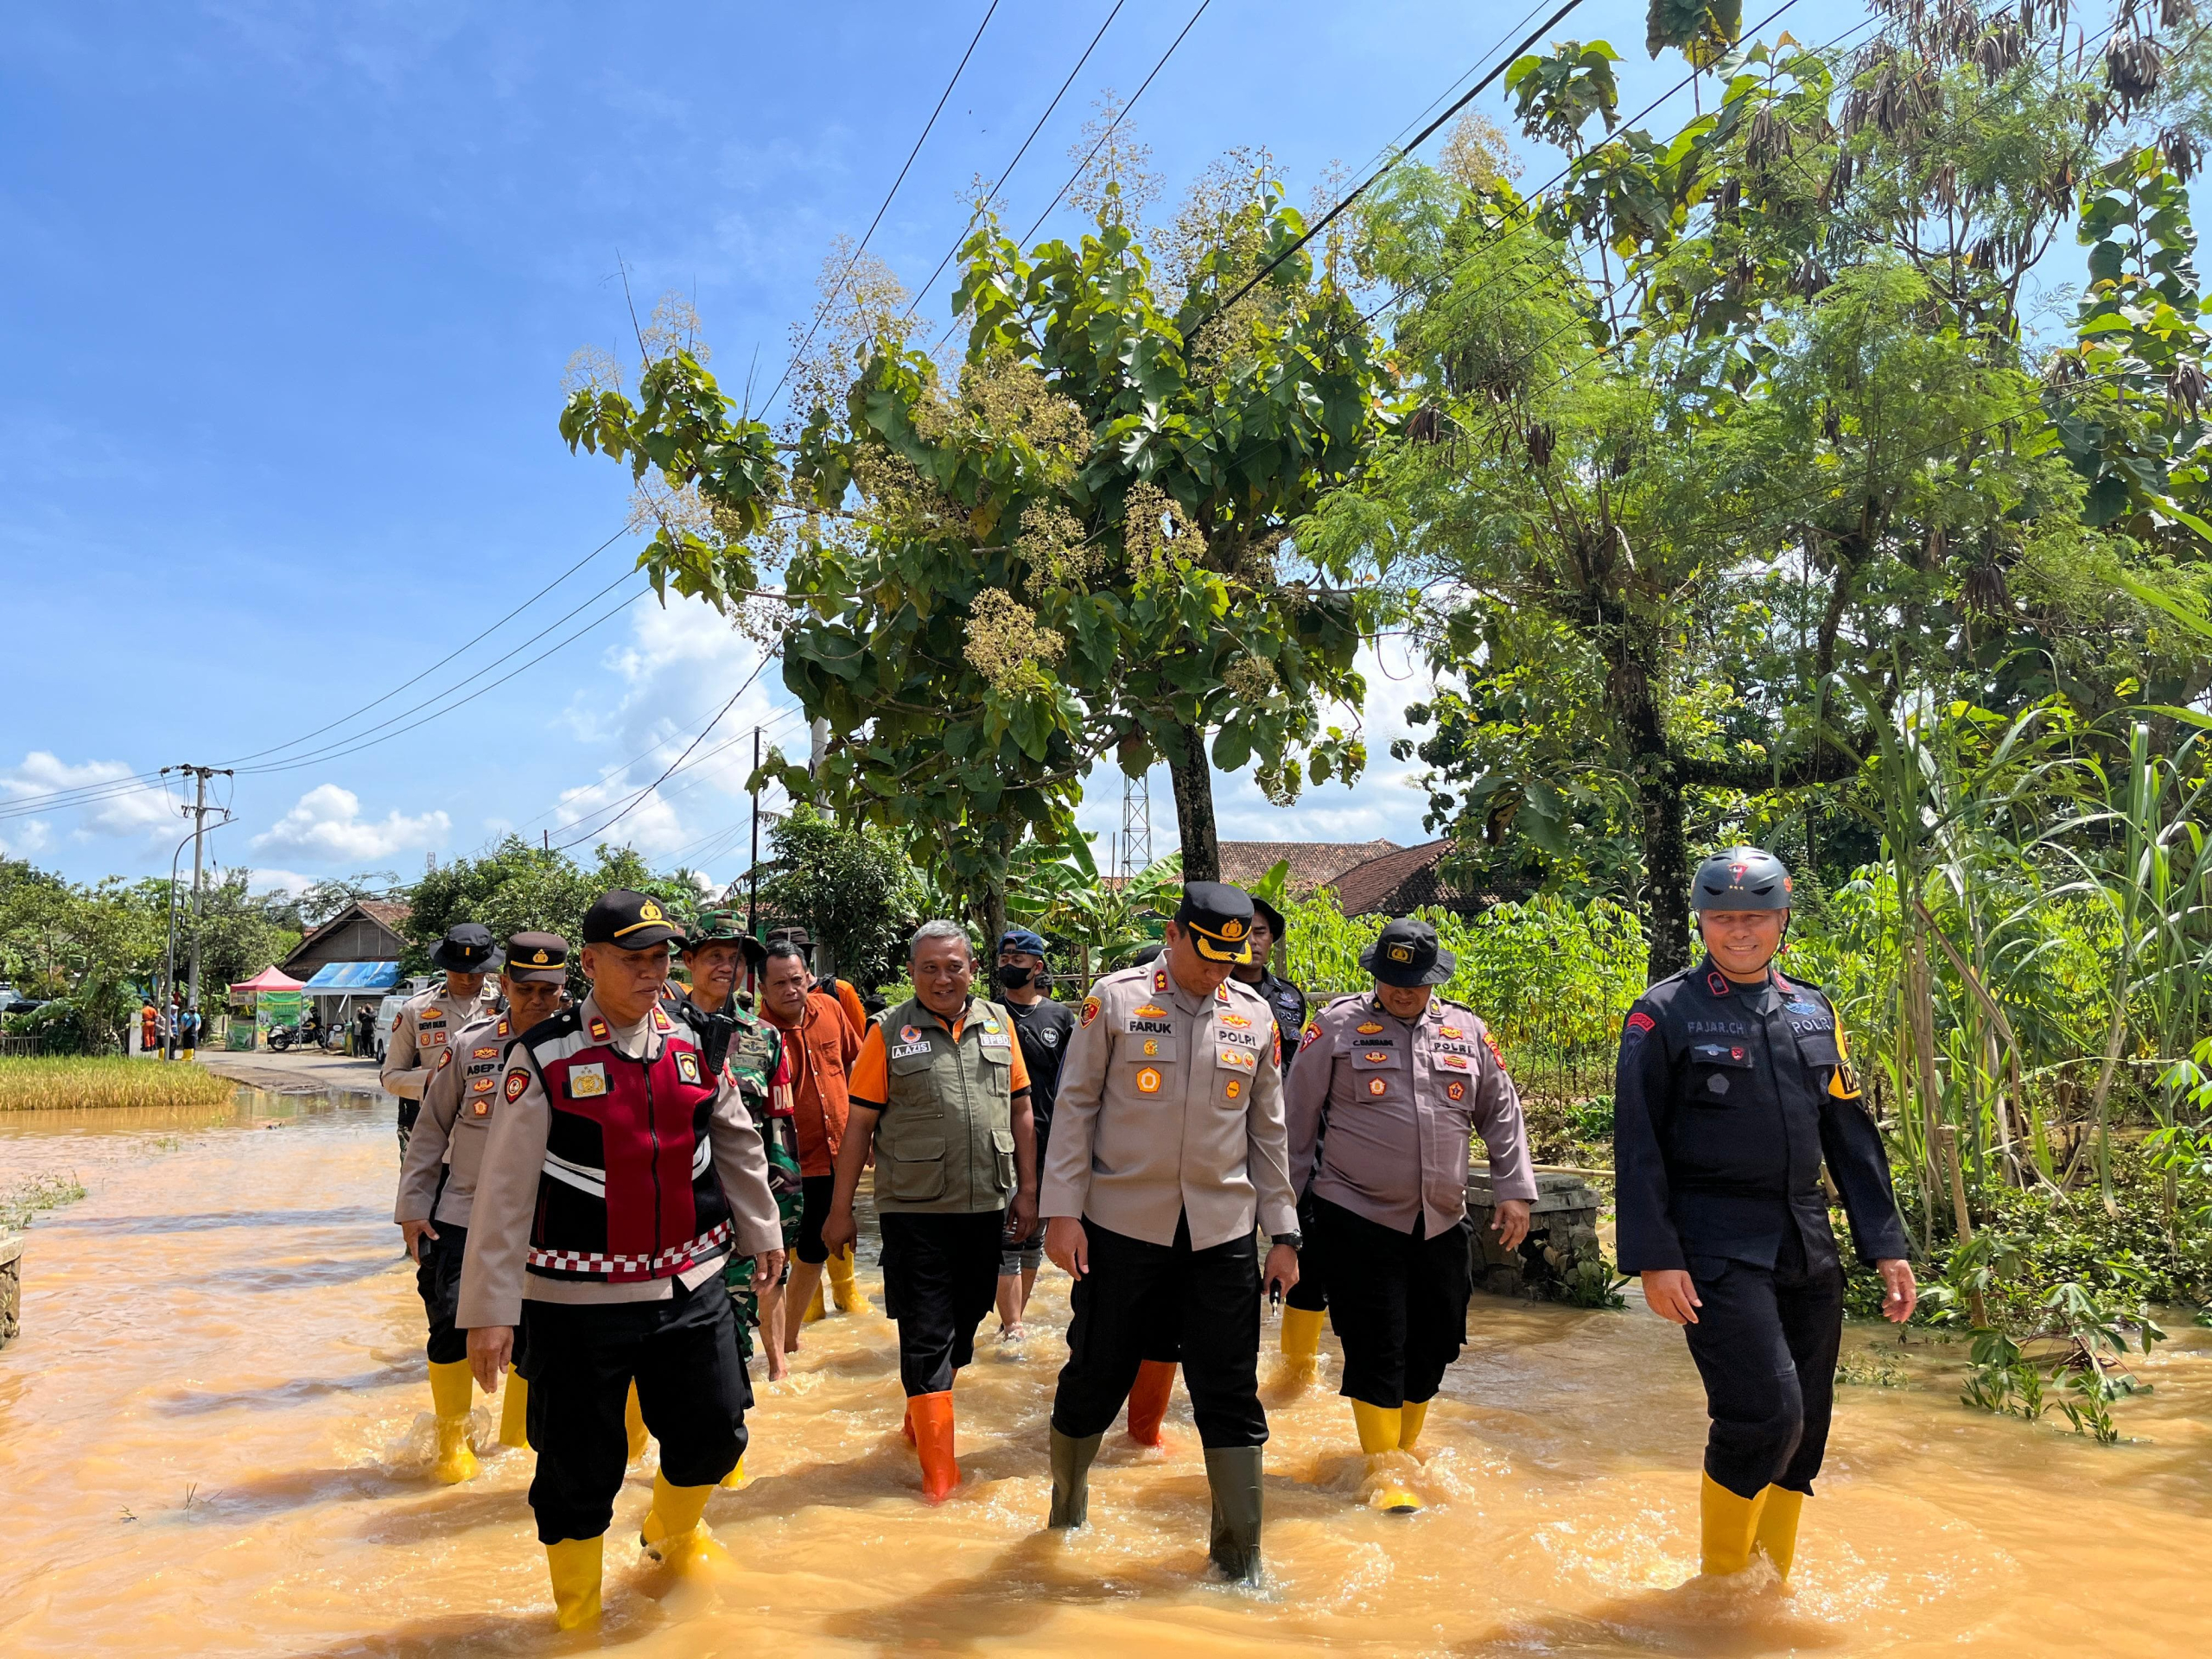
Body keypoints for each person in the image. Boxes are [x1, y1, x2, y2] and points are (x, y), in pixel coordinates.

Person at [456, 890, 787, 1630]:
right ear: (593, 963)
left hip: (691, 1283)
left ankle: (668, 1536)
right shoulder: (541, 1058)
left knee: (716, 1436)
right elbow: (503, 1196)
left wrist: (764, 1231)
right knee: (579, 1471)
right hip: (576, 1303)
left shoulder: (698, 1042)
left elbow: (735, 1141)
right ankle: (576, 1620)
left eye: (660, 958)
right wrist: (488, 1314)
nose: (653, 972)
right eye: (634, 960)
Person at [1614, 847, 1916, 1583]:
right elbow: (1638, 1144)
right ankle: (1719, 1585)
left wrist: (1885, 1243)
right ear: (1702, 922)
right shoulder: (1664, 1014)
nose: (1738, 931)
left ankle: (1768, 1582)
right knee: (1764, 1415)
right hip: (1713, 1244)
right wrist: (1656, 1258)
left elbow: (1850, 1133)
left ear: (1782, 920)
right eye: (1722, 918)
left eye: (1754, 918)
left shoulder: (1814, 1010)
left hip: (1805, 1241)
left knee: (1806, 1427)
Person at [1041, 882, 1300, 1582]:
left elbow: (1268, 1132)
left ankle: (1240, 1560)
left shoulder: (1253, 1016)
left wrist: (1283, 1233)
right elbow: (1075, 1110)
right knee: (1098, 1371)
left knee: (1230, 1388)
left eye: (1230, 960)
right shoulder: (1118, 998)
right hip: (1122, 1227)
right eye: (1207, 956)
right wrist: (1061, 1213)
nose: (1218, 973)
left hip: (1221, 1234)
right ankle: (1065, 1516)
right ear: (1175, 932)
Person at [1284, 916, 1535, 1513]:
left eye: (1415, 982)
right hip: (1355, 1214)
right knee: (1377, 1343)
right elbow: (1293, 1123)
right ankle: (1384, 1470)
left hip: (1442, 1219)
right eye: (1393, 979)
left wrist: (1515, 1189)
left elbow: (1501, 1112)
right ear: (1377, 975)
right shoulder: (1337, 1027)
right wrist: (1284, 1220)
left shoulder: (1466, 1031)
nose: (1403, 991)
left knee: (1436, 1340)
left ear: (1434, 979)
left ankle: (1403, 1447)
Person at [819, 921, 1039, 1503]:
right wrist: (841, 1212)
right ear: (913, 972)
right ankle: (941, 1481)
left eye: (953, 966)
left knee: (964, 1328)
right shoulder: (888, 1030)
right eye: (929, 968)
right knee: (925, 1333)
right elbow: (860, 1124)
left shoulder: (998, 1022)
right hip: (913, 1210)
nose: (943, 978)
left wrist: (1029, 1190)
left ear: (972, 968)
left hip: (986, 1202)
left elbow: (1021, 1110)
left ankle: (920, 1421)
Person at [394, 931, 569, 1480]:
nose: (538, 1001)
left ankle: (517, 1440)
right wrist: (413, 1204)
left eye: (550, 991)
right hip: (464, 1212)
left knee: (537, 1330)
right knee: (449, 1321)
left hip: (549, 1215)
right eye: (527, 988)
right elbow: (429, 1131)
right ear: (506, 984)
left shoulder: (578, 1049)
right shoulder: (471, 1046)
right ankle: (452, 1443)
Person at [665, 910, 802, 1384]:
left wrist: (783, 1211)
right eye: (715, 956)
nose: (727, 967)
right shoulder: (661, 1030)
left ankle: (773, 1375)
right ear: (687, 961)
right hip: (678, 1204)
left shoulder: (764, 1038)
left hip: (743, 1196)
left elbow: (778, 1128)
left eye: (737, 959)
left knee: (755, 1293)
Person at [755, 939, 868, 1342]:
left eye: (797, 980)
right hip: (787, 1161)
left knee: (820, 1245)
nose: (791, 990)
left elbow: (854, 1062)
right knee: (777, 1254)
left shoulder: (832, 1009)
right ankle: (777, 1343)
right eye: (780, 983)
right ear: (762, 989)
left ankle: (790, 1340)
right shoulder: (755, 1034)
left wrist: (865, 1134)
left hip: (839, 1150)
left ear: (808, 978)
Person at [990, 928, 1074, 1344]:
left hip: (1050, 1139)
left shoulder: (1060, 1018)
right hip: (999, 1142)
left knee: (1033, 1235)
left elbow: (1075, 1082)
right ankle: (1013, 1325)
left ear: (1037, 966)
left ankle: (1012, 1319)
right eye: (1004, 959)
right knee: (1007, 1232)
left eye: (1017, 959)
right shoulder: (987, 1015)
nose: (1008, 965)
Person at [382, 924, 499, 1158]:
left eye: (475, 972)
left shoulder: (506, 1007)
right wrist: (431, 1079)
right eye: (458, 971)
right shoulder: (416, 1010)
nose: (467, 980)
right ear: (445, 966)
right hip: (433, 1140)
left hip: (492, 1139)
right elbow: (390, 1077)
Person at [766, 925, 868, 1036]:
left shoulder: (838, 993)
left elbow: (863, 1044)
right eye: (779, 983)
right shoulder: (770, 1001)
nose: (790, 991)